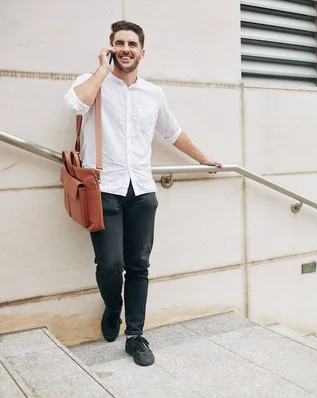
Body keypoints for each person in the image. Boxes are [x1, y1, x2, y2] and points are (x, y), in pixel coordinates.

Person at [63, 20, 221, 367]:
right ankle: (113, 305)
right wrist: (101, 70)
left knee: (138, 266)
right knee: (109, 264)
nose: (125, 49)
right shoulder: (92, 83)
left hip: (143, 192)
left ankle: (135, 336)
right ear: (110, 48)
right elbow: (75, 105)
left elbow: (172, 131)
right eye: (119, 43)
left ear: (142, 52)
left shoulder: (153, 93)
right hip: (104, 189)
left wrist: (204, 158)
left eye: (131, 44)